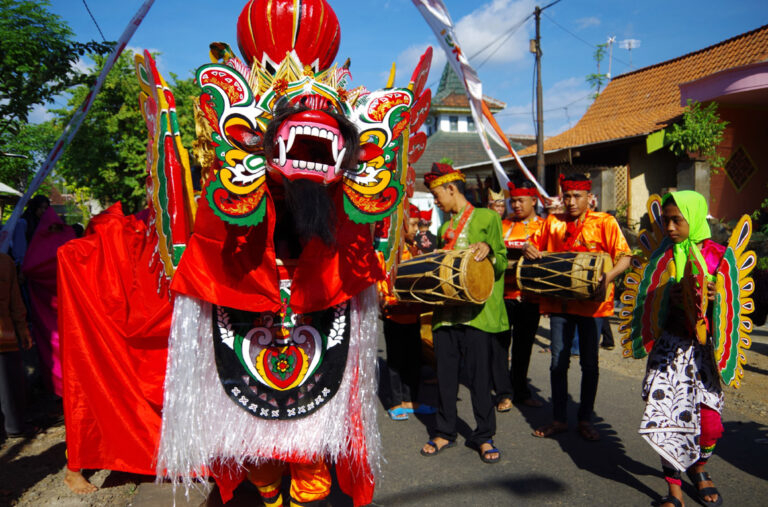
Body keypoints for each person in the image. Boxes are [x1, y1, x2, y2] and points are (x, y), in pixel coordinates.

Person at [523, 173, 631, 441]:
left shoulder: (604, 222)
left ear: (588, 198)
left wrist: (605, 277)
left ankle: (585, 419)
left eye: (576, 196)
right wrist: (528, 248)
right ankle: (559, 419)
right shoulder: (552, 222)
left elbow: (625, 257)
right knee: (558, 363)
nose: (571, 202)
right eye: (567, 196)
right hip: (560, 303)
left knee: (590, 365)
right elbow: (531, 244)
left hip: (593, 306)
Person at [637, 191, 725, 507]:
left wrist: (717, 296)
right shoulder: (662, 256)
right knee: (668, 420)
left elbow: (733, 307)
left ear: (695, 218)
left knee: (711, 424)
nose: (670, 227)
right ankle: (674, 488)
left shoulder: (718, 256)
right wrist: (665, 298)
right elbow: (645, 298)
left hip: (703, 352)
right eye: (666, 220)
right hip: (669, 349)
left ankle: (699, 467)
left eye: (677, 220)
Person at [419, 163, 507, 464]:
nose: (435, 201)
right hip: (446, 314)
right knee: (445, 375)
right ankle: (444, 431)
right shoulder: (444, 227)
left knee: (479, 378)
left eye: (436, 195)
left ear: (451, 189)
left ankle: (483, 435)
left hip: (477, 315)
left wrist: (488, 248)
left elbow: (502, 261)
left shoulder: (488, 217)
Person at [493, 179, 544, 412]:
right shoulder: (501, 225)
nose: (516, 205)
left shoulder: (544, 226)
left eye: (521, 200)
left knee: (523, 347)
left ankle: (521, 391)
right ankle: (504, 393)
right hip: (503, 296)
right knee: (501, 347)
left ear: (533, 200)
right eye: (512, 201)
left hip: (530, 297)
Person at [381, 205, 435, 420]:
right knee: (395, 359)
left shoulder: (417, 248)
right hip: (394, 312)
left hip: (414, 312)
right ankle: (396, 402)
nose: (416, 229)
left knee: (414, 358)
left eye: (417, 224)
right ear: (400, 225)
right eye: (412, 224)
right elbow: (381, 278)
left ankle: (413, 399)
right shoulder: (391, 250)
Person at [0, 252, 34, 441]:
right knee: (9, 385)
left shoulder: (6, 262)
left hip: (4, 332)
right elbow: (16, 302)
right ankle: (14, 425)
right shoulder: (5, 262)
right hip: (4, 333)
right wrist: (23, 331)